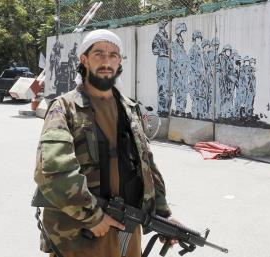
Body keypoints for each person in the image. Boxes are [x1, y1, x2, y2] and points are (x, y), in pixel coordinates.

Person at [32, 29, 175, 257]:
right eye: (98, 54)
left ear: (119, 62)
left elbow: (146, 164)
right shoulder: (64, 107)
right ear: (84, 60)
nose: (106, 61)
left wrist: (162, 215)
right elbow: (52, 170)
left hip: (127, 228)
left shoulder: (130, 108)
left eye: (113, 55)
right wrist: (92, 215)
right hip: (81, 233)